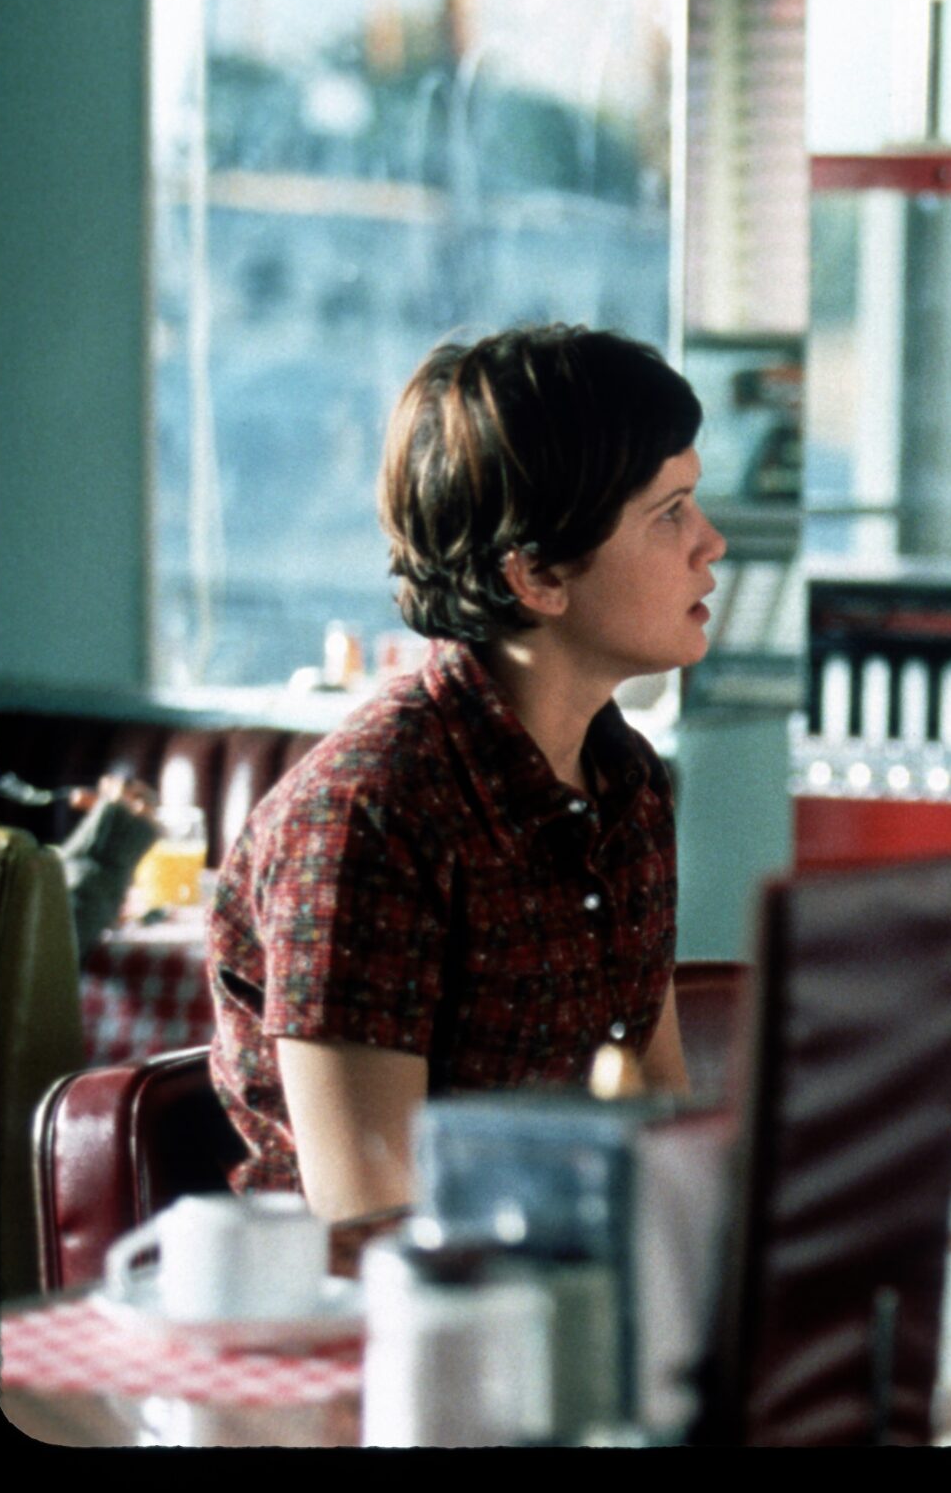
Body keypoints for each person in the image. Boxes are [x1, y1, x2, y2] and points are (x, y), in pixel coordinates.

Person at [207, 324, 726, 1221]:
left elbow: (658, 1115)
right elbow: (371, 1211)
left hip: (574, 1270)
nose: (710, 543)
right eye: (669, 512)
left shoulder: (626, 781)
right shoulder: (366, 816)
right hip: (388, 1300)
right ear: (538, 576)